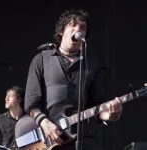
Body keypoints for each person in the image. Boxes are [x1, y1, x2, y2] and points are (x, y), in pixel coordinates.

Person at [24, 9, 123, 150]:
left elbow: (97, 107)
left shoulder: (93, 64)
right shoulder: (41, 59)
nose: (78, 29)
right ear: (61, 31)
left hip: (82, 136)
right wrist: (45, 124)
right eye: (73, 25)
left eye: (83, 27)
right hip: (49, 136)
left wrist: (111, 115)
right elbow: (31, 103)